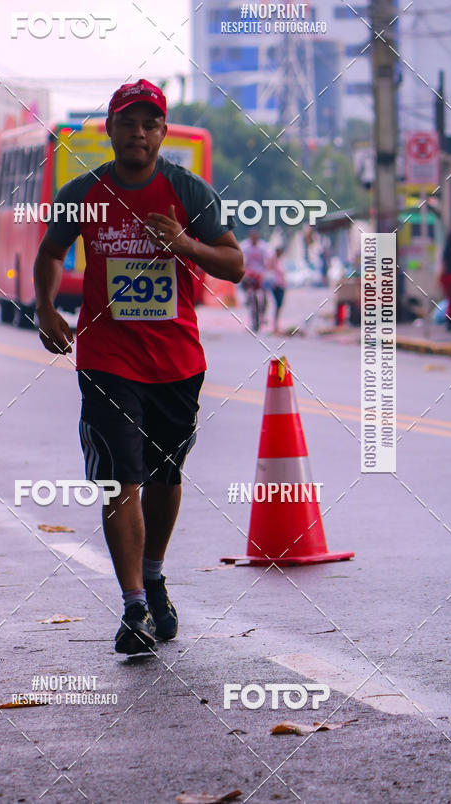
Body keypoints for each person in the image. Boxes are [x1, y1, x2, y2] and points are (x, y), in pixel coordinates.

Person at [34, 79, 244, 655]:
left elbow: (236, 264)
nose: (139, 133)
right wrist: (47, 306)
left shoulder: (187, 190)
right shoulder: (84, 191)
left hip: (176, 360)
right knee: (118, 476)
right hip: (107, 358)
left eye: (150, 124)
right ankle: (132, 608)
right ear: (110, 129)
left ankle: (153, 575)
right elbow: (51, 252)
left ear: (161, 132)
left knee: (164, 476)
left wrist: (187, 245)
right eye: (128, 122)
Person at [240, 230, 270, 328]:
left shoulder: (263, 246)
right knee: (249, 290)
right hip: (249, 273)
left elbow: (268, 260)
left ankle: (263, 310)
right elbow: (242, 262)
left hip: (260, 273)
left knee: (264, 295)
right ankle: (248, 298)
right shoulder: (244, 246)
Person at [265, 245, 287, 334]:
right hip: (275, 285)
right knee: (277, 304)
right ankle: (274, 324)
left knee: (280, 305)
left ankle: (276, 324)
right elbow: (268, 267)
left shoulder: (281, 261)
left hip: (282, 286)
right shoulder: (273, 261)